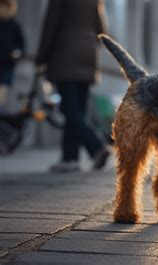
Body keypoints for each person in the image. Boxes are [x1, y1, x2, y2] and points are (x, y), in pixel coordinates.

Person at [36, 0, 109, 172]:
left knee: (70, 110)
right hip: (88, 54)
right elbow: (102, 30)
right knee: (78, 110)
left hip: (66, 53)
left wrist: (41, 58)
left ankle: (96, 146)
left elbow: (51, 26)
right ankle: (70, 158)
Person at [0, 0, 24, 110]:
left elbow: (21, 44)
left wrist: (17, 52)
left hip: (6, 65)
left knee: (2, 92)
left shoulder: (14, 25)